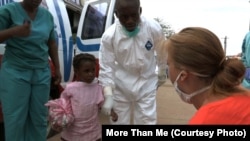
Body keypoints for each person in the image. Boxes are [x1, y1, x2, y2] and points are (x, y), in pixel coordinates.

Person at [0, 0, 61, 141]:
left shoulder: (47, 15)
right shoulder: (8, 11)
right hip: (15, 72)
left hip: (41, 72)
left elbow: (51, 42)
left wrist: (57, 68)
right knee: (15, 119)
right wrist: (14, 31)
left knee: (39, 117)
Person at [99, 0, 167, 125]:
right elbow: (106, 67)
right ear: (116, 14)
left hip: (147, 83)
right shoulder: (109, 36)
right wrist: (108, 95)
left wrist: (162, 72)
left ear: (140, 11)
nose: (130, 21)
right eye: (124, 17)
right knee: (118, 123)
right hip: (121, 86)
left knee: (147, 122)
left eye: (134, 15)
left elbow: (163, 52)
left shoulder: (153, 28)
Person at [163, 27, 250, 124]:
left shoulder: (206, 121)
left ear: (183, 75)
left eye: (168, 64)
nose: (167, 68)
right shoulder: (244, 97)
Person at [46, 53, 117, 141]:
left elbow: (102, 103)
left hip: (92, 132)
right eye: (86, 71)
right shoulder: (70, 88)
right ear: (77, 72)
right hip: (73, 133)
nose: (91, 74)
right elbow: (62, 105)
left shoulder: (98, 88)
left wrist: (112, 112)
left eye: (93, 70)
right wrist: (60, 120)